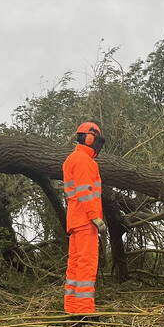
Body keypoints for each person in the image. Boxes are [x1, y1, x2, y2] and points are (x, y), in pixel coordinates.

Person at [62, 121, 107, 316]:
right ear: (89, 138)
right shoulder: (84, 161)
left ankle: (71, 309)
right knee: (86, 265)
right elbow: (85, 191)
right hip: (85, 220)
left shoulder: (72, 159)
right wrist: (95, 217)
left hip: (75, 220)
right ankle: (84, 312)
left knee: (74, 265)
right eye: (96, 140)